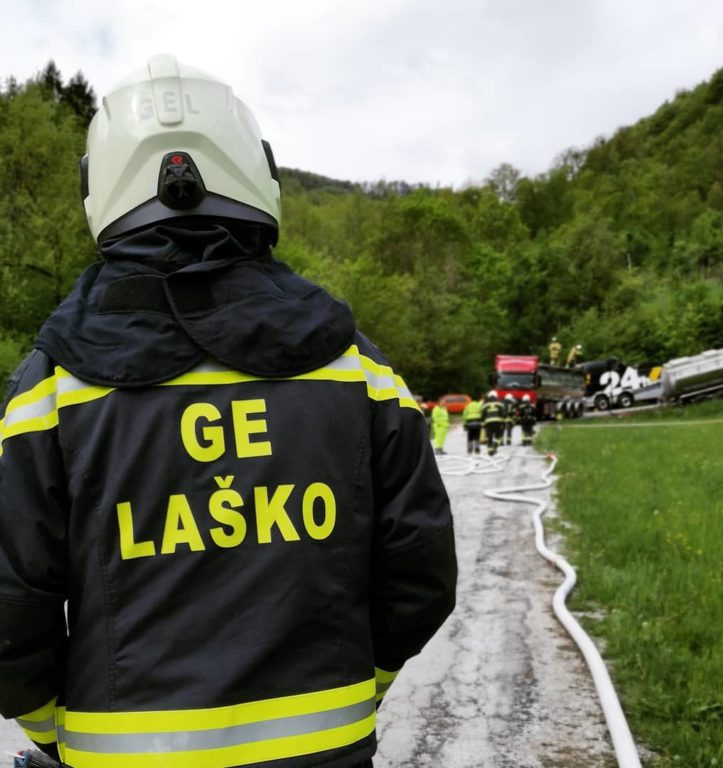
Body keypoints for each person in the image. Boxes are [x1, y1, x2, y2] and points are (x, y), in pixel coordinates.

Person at [0, 55, 457, 768]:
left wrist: (53, 732)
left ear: (101, 188)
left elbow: (8, 605)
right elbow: (421, 568)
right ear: (258, 172)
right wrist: (362, 685)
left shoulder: (48, 390)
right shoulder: (355, 367)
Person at [481, 390, 505, 456]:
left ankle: (490, 451)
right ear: (496, 396)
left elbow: (482, 415)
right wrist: (503, 422)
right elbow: (503, 414)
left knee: (489, 437)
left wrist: (483, 423)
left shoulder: (485, 404)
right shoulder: (499, 404)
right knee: (499, 436)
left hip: (488, 423)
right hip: (498, 423)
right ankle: (495, 445)